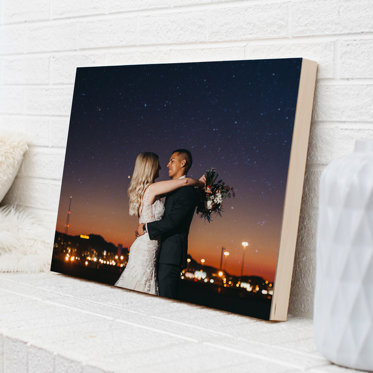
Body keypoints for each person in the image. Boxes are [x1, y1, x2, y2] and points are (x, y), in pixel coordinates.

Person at [114, 151, 204, 295]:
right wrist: (201, 183)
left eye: (171, 161)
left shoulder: (178, 191)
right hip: (149, 248)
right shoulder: (154, 189)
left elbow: (173, 221)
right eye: (159, 164)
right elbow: (185, 181)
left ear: (183, 163)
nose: (164, 166)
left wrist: (145, 227)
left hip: (164, 252)